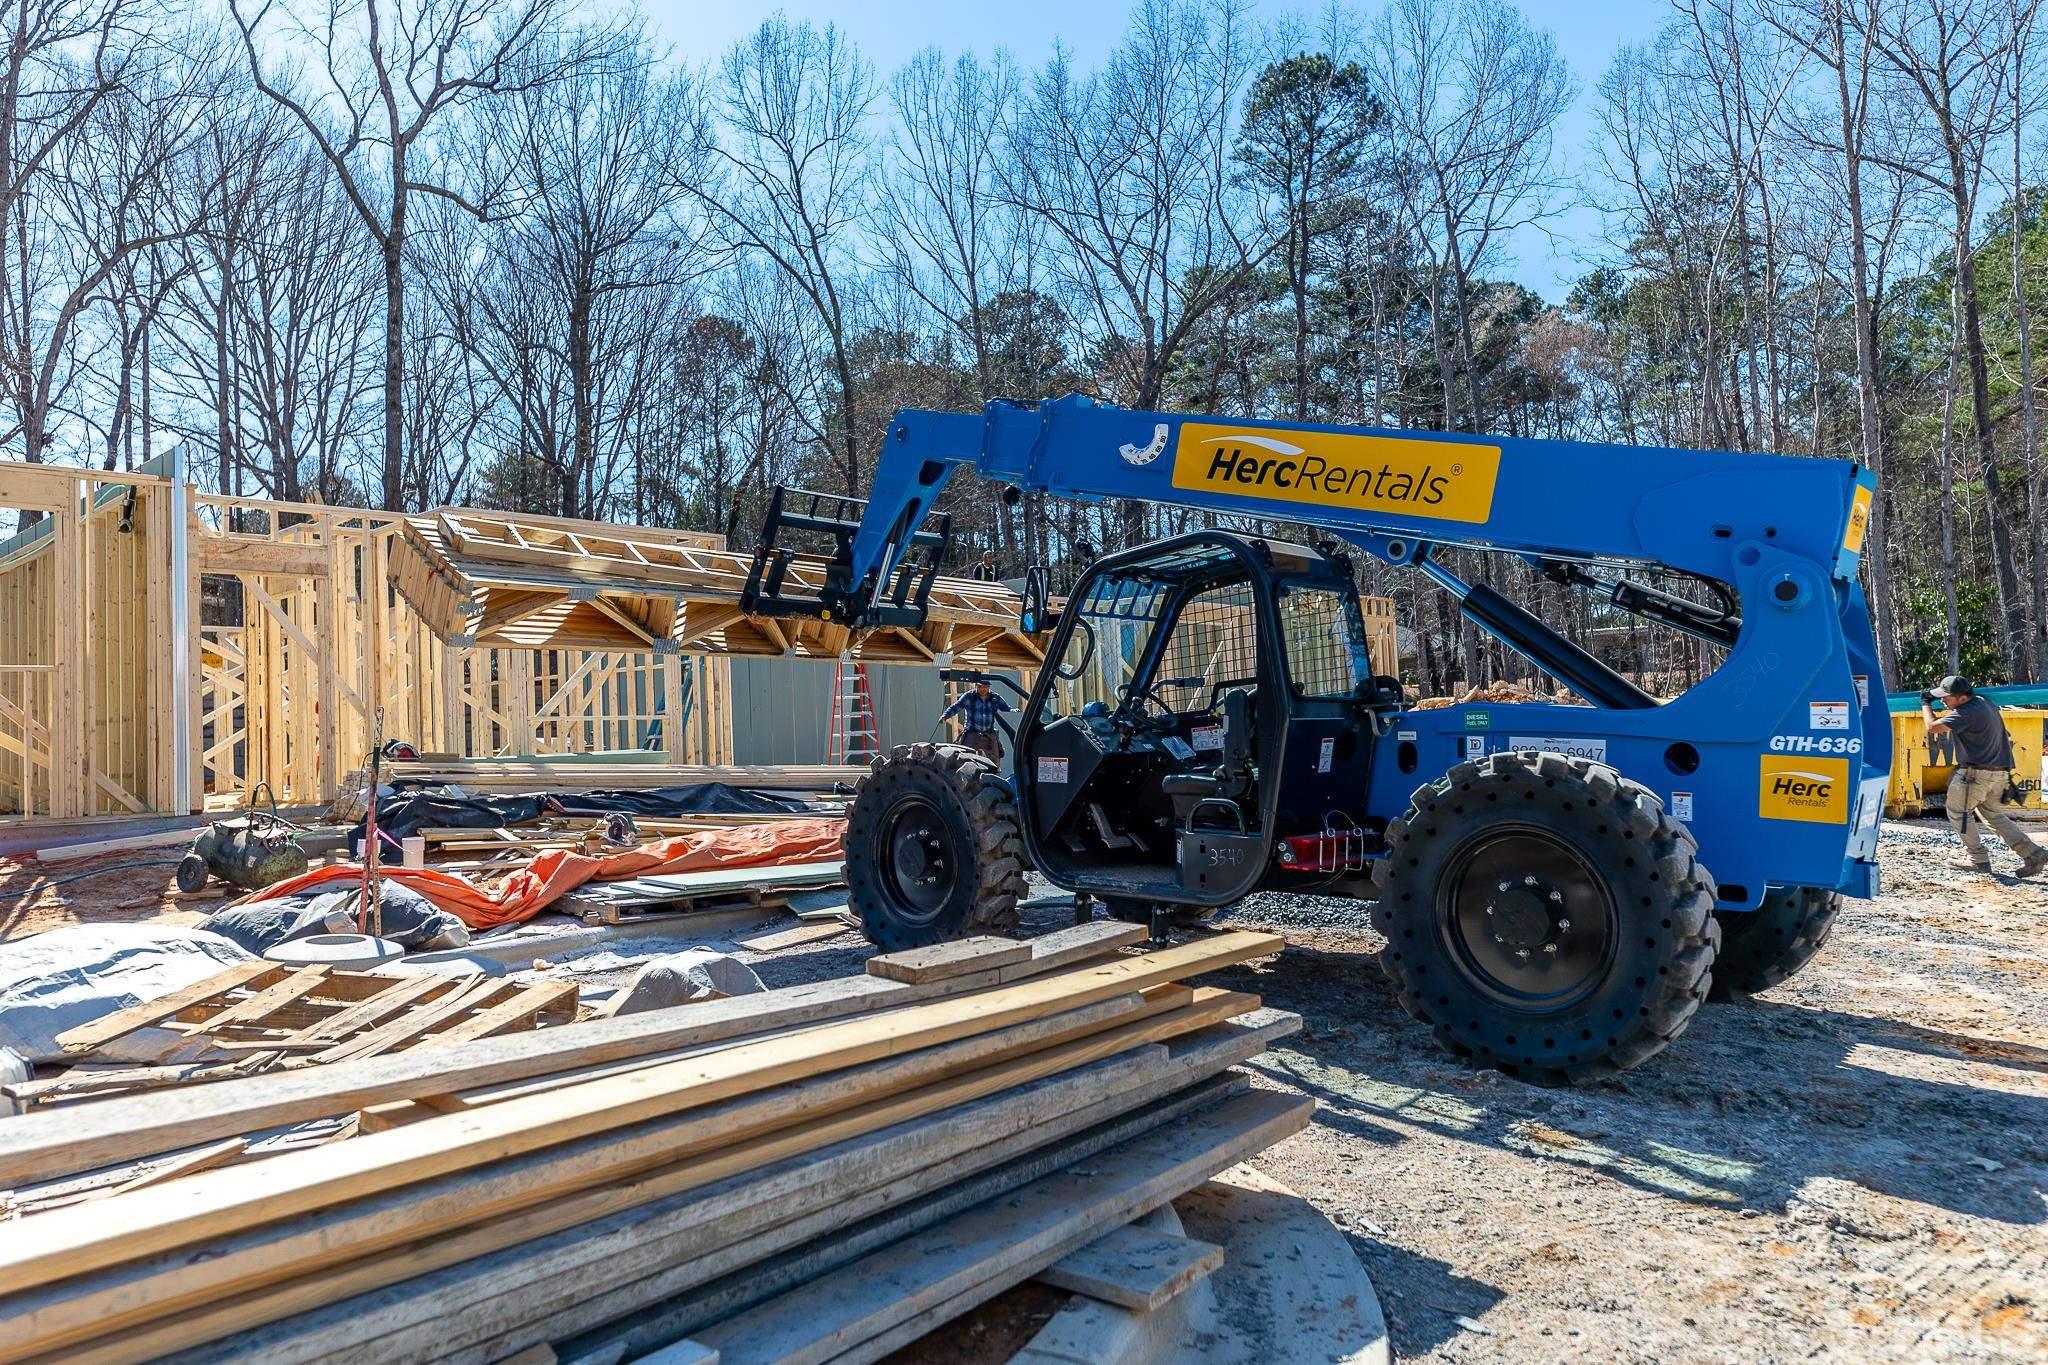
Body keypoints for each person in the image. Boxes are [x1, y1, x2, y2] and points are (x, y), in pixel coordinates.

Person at [1923, 675, 2047, 876]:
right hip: (1998, 773)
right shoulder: (1984, 702)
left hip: (1976, 774)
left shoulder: (1966, 712)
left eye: (1946, 697)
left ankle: (1978, 860)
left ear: (1962, 698)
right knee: (1993, 816)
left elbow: (1933, 727)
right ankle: (2033, 853)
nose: (1942, 700)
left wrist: (1925, 704)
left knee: (1958, 812)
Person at [940, 679, 1010, 764]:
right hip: (972, 733)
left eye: (985, 687)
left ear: (988, 687)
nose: (982, 689)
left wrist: (1015, 711)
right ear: (976, 686)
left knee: (995, 761)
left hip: (988, 733)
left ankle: (994, 775)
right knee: (964, 758)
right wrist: (945, 716)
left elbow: (1007, 709)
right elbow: (956, 707)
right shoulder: (969, 696)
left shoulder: (994, 698)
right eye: (980, 687)